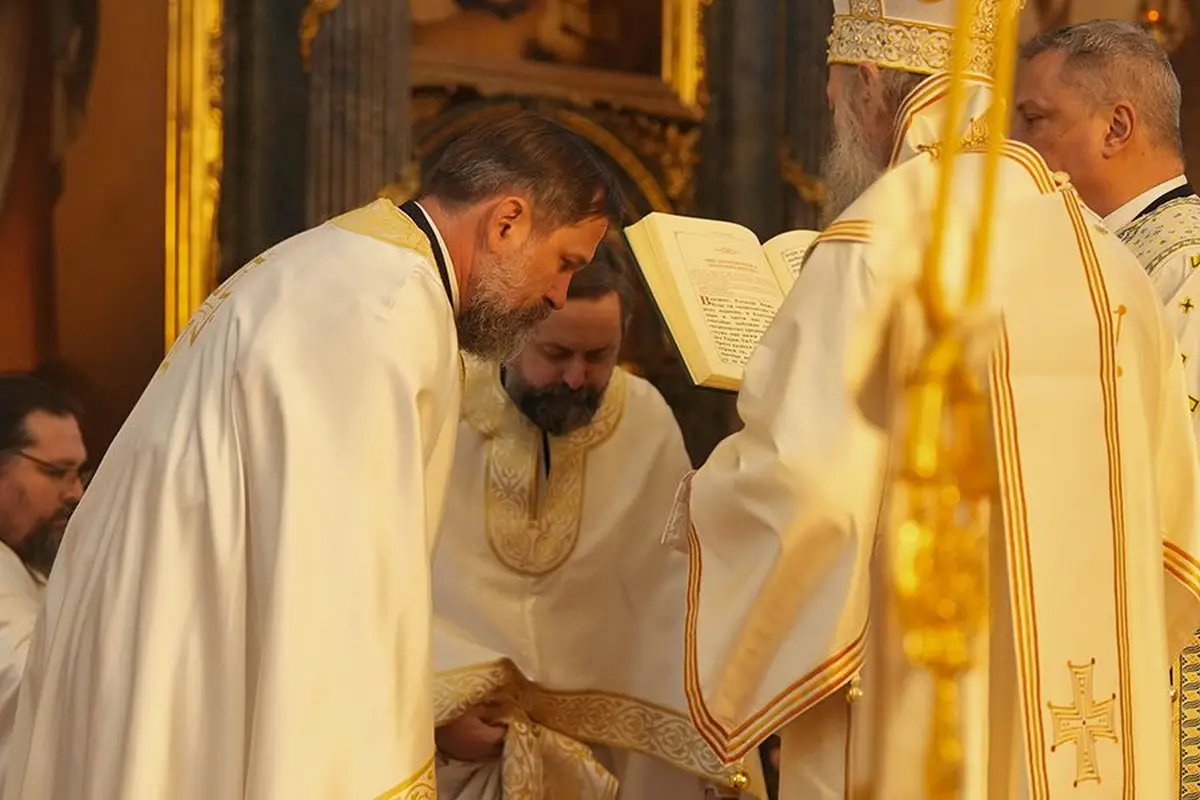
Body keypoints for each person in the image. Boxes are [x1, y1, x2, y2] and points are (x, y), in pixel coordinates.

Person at [663, 0, 1200, 797]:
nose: (834, 113)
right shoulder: (1105, 259)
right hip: (1091, 724)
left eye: (834, 93)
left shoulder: (878, 240)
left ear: (869, 86)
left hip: (917, 703)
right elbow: (1175, 533)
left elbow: (811, 493)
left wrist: (701, 507)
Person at [2, 112, 622, 800]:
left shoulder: (344, 266)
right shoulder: (385, 309)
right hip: (182, 664)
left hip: (158, 652)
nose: (558, 295)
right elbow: (335, 591)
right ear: (507, 221)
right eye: (565, 262)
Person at [427, 242, 759, 800]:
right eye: (556, 353)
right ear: (512, 333)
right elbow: (387, 577)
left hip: (609, 764)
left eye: (599, 355)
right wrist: (434, 706)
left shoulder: (645, 420)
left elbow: (671, 602)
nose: (577, 377)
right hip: (460, 750)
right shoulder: (444, 405)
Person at [1013, 19, 1200, 434]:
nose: (1015, 145)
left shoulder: (1186, 266)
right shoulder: (1081, 245)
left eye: (1034, 119)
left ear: (1115, 129)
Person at [0, 376, 84, 774]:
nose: (76, 493)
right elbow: (31, 691)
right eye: (56, 471)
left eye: (79, 473)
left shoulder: (28, 561)